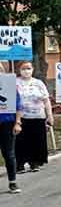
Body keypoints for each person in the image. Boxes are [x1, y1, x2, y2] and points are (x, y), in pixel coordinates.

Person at [15, 61, 52, 173]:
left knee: (37, 141)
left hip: (38, 116)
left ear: (33, 69)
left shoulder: (39, 83)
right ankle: (20, 164)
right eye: (24, 68)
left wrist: (49, 115)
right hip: (21, 117)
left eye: (29, 68)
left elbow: (46, 100)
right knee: (20, 141)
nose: (26, 71)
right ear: (19, 70)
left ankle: (35, 163)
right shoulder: (15, 83)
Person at [0, 62, 23, 194]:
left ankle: (12, 182)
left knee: (9, 153)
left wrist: (18, 122)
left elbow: (18, 106)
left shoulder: (10, 86)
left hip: (7, 123)